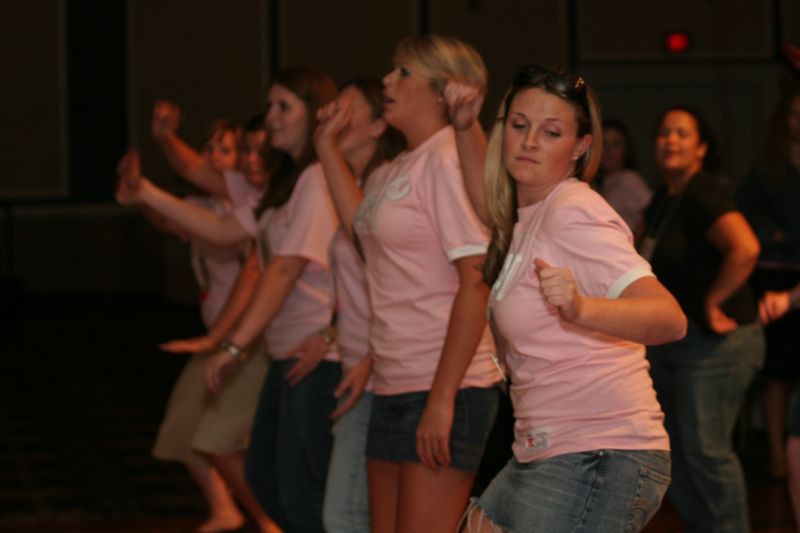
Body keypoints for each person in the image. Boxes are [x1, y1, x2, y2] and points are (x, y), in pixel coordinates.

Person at [444, 65, 685, 533]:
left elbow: (670, 319)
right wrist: (462, 126)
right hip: (549, 449)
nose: (530, 141)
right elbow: (484, 197)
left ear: (580, 147)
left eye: (551, 131)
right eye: (519, 125)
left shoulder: (573, 211)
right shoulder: (530, 215)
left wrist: (581, 309)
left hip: (598, 453)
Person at [312, 35, 503, 533]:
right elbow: (362, 239)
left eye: (402, 74)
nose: (386, 81)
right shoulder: (399, 166)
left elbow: (476, 282)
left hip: (446, 385)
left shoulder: (446, 161)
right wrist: (325, 147)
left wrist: (442, 399)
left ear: (443, 91)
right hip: (395, 382)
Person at [642, 105, 765, 532]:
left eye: (681, 133)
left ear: (701, 148)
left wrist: (715, 300)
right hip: (677, 341)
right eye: (663, 132)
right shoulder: (667, 197)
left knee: (706, 451)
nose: (669, 140)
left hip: (717, 342)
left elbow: (745, 248)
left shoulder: (703, 193)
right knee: (676, 450)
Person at [313, 78, 404, 533]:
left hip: (379, 372)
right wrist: (330, 334)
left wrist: (371, 358)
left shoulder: (385, 190)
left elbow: (406, 286)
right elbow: (360, 285)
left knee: (346, 516)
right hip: (359, 363)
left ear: (376, 125)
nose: (332, 117)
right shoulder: (356, 185)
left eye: (346, 111)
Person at [738, 86, 800, 480]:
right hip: (776, 276)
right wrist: (771, 235)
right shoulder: (768, 170)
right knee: (777, 372)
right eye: (794, 113)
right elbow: (743, 219)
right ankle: (778, 452)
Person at [594, 118, 652, 230]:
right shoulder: (597, 183)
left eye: (616, 144)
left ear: (625, 150)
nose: (609, 150)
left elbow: (653, 212)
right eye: (604, 143)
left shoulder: (629, 179)